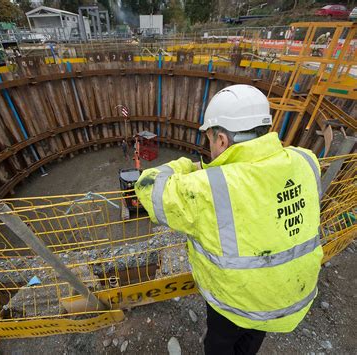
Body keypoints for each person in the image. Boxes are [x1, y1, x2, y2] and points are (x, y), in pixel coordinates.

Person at [134, 84, 322, 355]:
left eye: (210, 141)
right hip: (289, 297)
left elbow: (148, 187)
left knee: (219, 344)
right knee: (252, 340)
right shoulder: (306, 161)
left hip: (236, 302)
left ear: (221, 140)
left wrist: (189, 166)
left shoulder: (209, 186)